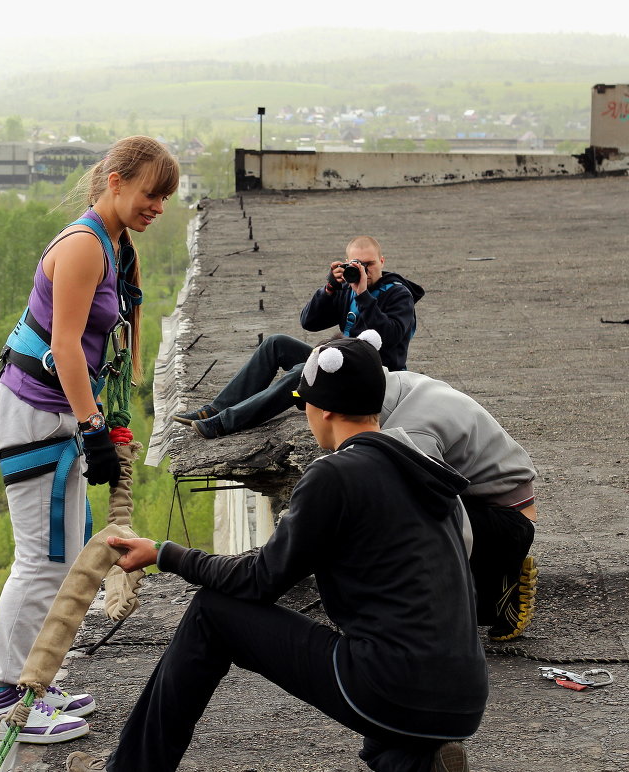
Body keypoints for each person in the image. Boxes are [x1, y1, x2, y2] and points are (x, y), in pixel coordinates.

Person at [69, 333, 487, 772]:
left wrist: (164, 553)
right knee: (382, 646)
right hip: (460, 694)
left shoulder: (336, 476)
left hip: (392, 687)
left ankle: (129, 769)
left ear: (323, 410)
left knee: (212, 612)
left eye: (301, 403)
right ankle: (420, 761)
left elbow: (259, 579)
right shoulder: (418, 465)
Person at [0, 136, 180, 744]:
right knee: (39, 563)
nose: (159, 207)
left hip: (59, 414)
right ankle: (4, 697)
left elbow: (101, 349)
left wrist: (100, 422)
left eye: (167, 198)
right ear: (115, 181)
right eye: (152, 193)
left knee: (61, 560)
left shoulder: (115, 246)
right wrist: (94, 427)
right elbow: (64, 346)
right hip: (35, 417)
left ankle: (35, 682)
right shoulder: (82, 247)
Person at [174, 235, 424, 439]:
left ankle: (224, 423)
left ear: (382, 261)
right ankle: (215, 409)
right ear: (349, 264)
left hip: (376, 377)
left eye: (370, 264)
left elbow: (390, 336)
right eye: (358, 265)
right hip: (343, 364)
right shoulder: (348, 288)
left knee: (304, 372)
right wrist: (328, 290)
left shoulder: (398, 294)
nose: (365, 270)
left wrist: (363, 296)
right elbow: (309, 322)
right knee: (276, 343)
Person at [381, 368, 538, 641]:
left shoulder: (409, 432)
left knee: (412, 526)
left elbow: (438, 508)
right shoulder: (397, 384)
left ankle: (507, 561)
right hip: (485, 487)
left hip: (504, 508)